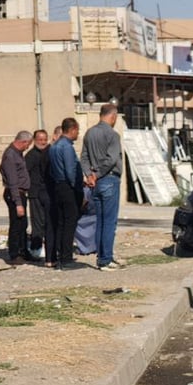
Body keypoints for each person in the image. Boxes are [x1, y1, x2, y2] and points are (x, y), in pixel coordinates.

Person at [81, 103, 123, 271]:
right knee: (109, 222)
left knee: (100, 221)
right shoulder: (113, 135)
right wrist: (97, 174)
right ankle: (106, 259)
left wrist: (89, 175)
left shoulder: (89, 133)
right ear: (113, 116)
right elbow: (111, 159)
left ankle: (102, 257)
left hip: (95, 183)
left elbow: (83, 157)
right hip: (108, 179)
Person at [48, 117, 86, 269]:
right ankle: (66, 258)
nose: (78, 134)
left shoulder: (54, 146)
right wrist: (77, 188)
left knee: (62, 223)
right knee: (70, 223)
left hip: (58, 186)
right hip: (67, 188)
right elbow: (71, 171)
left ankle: (61, 255)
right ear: (72, 130)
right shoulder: (67, 147)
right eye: (77, 130)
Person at [0, 130, 33, 265]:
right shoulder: (10, 156)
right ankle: (14, 254)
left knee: (23, 224)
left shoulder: (17, 154)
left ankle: (23, 251)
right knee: (16, 225)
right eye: (28, 144)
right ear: (23, 142)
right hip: (15, 194)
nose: (28, 147)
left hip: (20, 193)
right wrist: (18, 203)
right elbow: (13, 182)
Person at [24, 129, 53, 263]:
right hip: (35, 193)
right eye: (40, 139)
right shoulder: (30, 156)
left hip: (47, 192)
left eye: (44, 139)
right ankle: (35, 250)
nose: (43, 142)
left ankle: (49, 249)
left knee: (48, 222)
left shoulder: (50, 152)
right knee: (37, 222)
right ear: (35, 140)